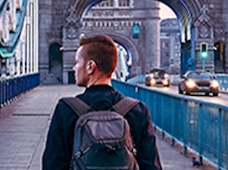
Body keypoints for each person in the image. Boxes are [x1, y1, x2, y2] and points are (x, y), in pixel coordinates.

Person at [42, 34, 162, 169]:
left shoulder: (66, 109)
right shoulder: (137, 110)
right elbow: (151, 166)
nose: (74, 68)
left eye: (77, 62)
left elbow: (52, 164)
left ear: (90, 66)